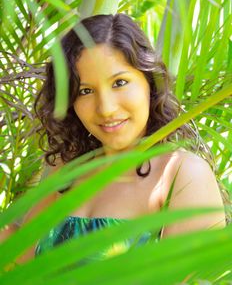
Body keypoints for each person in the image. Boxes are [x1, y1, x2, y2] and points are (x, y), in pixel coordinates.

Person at [2, 14, 226, 263]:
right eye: (85, 90)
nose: (106, 108)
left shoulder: (180, 173)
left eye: (119, 82)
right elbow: (26, 263)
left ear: (149, 83)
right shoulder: (67, 168)